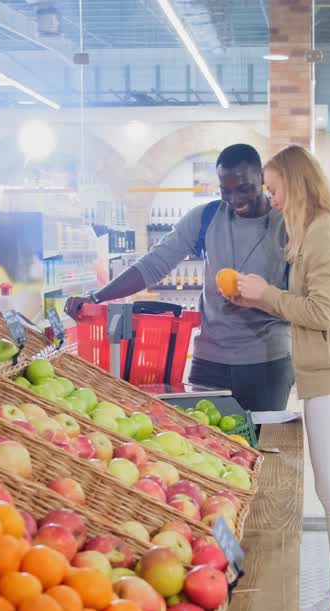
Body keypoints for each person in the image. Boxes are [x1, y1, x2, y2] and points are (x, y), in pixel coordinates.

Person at [230, 145, 330, 611]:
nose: (270, 197)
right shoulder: (313, 232)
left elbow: (323, 312)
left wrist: (266, 293)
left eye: (274, 187)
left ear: (296, 182)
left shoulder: (324, 234)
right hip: (325, 374)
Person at [64, 144, 294, 411]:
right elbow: (154, 263)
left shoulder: (286, 225)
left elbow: (302, 303)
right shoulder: (207, 217)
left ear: (262, 179)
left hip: (266, 363)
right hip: (209, 361)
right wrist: (96, 296)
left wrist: (260, 298)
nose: (234, 199)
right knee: (203, 442)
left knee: (263, 444)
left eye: (244, 188)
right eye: (225, 190)